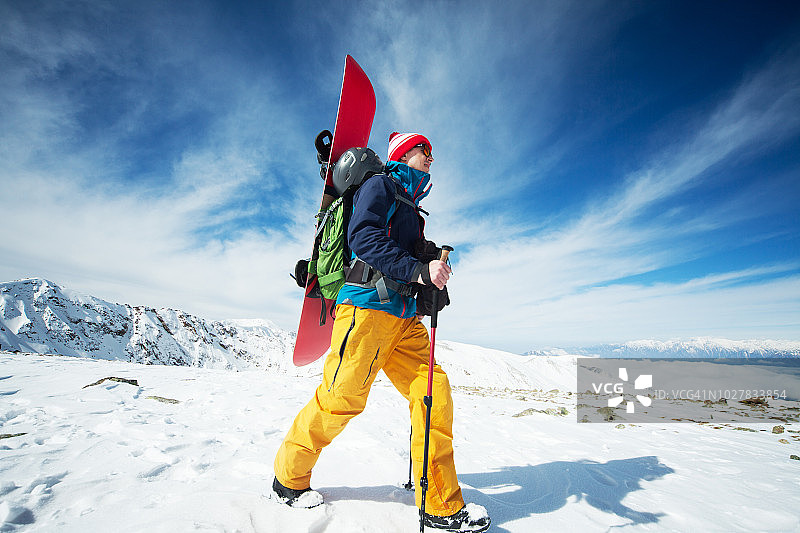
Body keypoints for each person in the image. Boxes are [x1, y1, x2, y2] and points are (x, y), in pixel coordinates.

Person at [272, 132, 491, 532]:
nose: (431, 159)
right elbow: (364, 238)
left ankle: (439, 504)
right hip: (366, 311)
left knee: (432, 394)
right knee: (341, 400)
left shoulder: (412, 208)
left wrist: (431, 270)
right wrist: (418, 270)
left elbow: (410, 257)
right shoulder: (381, 185)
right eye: (426, 151)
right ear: (403, 154)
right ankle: (287, 479)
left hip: (404, 320)